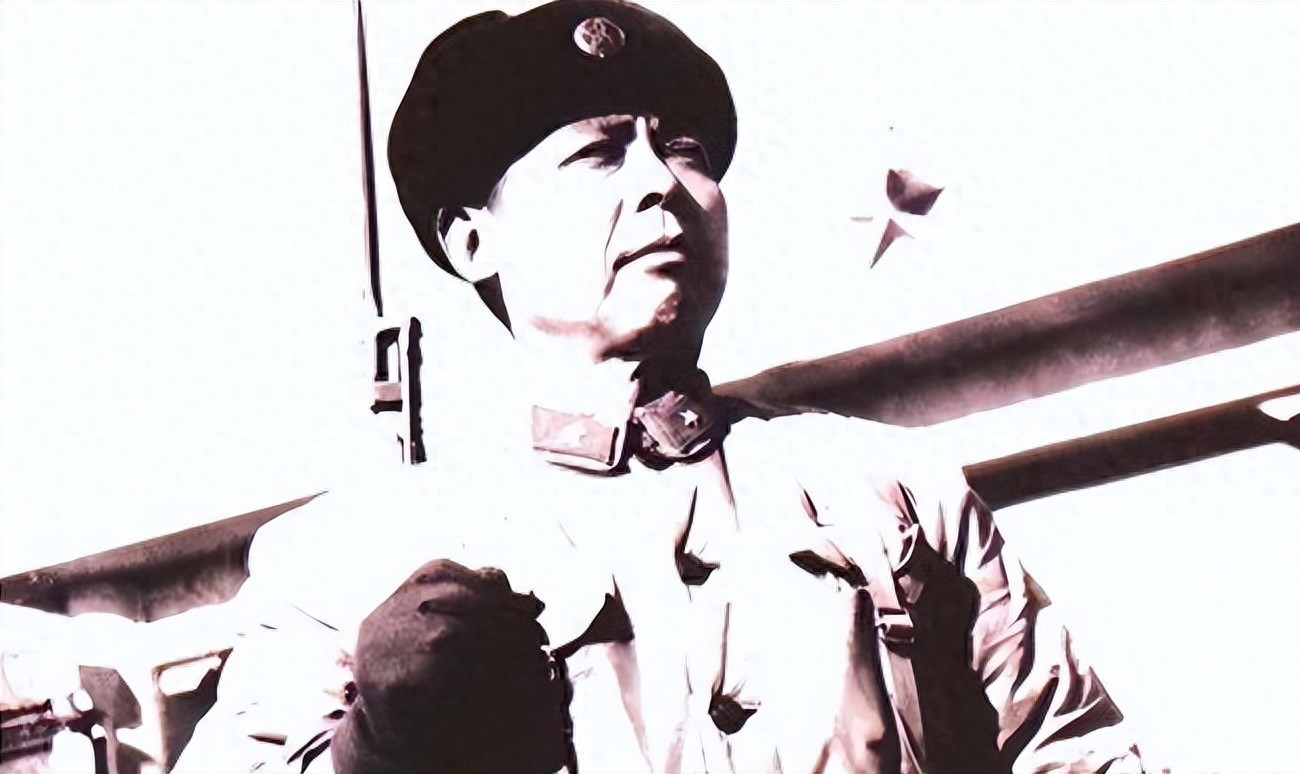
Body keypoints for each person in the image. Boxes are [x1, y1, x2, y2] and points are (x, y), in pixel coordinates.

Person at [178, 1, 1143, 771]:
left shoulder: (892, 491)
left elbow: (1076, 752)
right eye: (599, 152)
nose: (662, 183)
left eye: (684, 149)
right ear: (472, 240)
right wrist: (374, 753)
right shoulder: (343, 561)